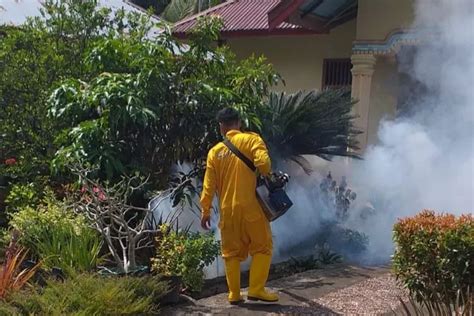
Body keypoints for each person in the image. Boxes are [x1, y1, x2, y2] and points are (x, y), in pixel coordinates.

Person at [200, 107, 278, 304]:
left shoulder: (214, 152)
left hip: (228, 211)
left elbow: (208, 185)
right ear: (239, 123)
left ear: (221, 127)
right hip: (251, 207)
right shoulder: (251, 139)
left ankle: (234, 294)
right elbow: (264, 165)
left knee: (230, 253)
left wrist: (205, 210)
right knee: (262, 247)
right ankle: (256, 290)